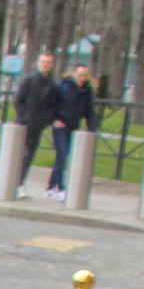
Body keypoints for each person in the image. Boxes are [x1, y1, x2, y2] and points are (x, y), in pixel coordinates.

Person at [12, 49, 60, 195]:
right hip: (23, 123)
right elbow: (18, 101)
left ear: (52, 65)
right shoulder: (29, 80)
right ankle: (15, 182)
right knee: (20, 154)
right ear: (38, 63)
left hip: (37, 125)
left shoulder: (52, 84)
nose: (45, 65)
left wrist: (46, 121)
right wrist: (24, 118)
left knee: (29, 154)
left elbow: (52, 105)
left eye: (48, 63)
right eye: (43, 62)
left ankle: (20, 182)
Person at [46, 63, 96, 198]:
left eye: (85, 76)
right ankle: (61, 188)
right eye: (80, 75)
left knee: (61, 156)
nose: (82, 78)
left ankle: (50, 186)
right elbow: (51, 104)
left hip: (74, 126)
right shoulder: (62, 87)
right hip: (60, 125)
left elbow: (89, 111)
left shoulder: (87, 90)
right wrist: (54, 120)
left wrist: (92, 128)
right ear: (74, 74)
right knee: (63, 154)